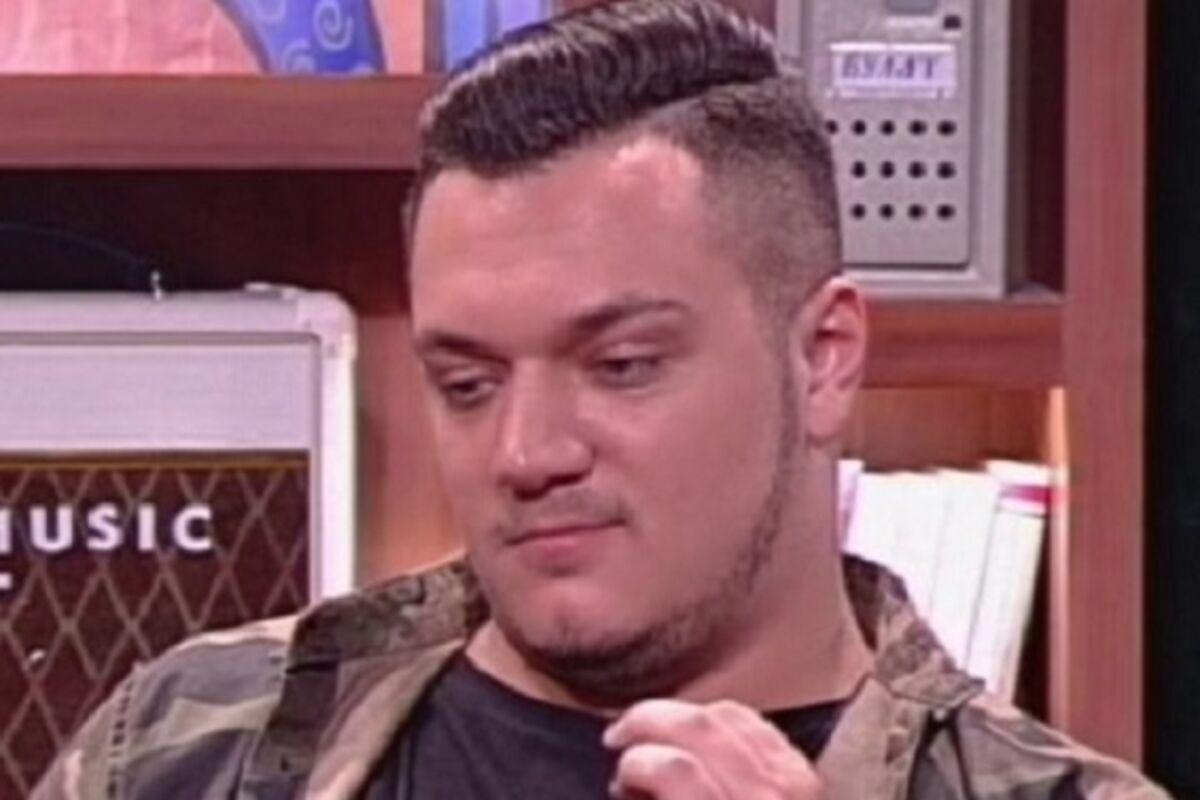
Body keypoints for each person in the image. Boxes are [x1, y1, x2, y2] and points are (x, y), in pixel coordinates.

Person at [34, 1, 1168, 798]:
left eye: (622, 365)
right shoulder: (189, 746)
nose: (526, 453)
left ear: (823, 358)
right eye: (468, 383)